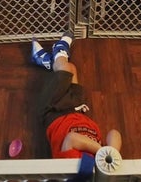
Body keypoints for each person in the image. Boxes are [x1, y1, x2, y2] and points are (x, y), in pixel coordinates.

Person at [31, 31, 122, 159]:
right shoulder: (103, 162)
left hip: (55, 111)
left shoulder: (72, 166)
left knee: (65, 69)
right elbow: (114, 133)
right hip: (78, 111)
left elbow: (72, 139)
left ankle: (60, 50)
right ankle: (47, 60)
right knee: (72, 69)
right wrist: (112, 154)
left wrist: (102, 152)